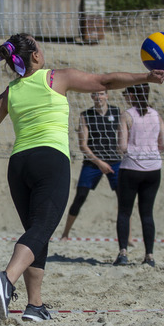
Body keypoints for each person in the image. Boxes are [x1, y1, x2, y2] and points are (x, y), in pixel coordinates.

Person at [0, 33, 164, 322]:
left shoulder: (11, 91)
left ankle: (35, 305)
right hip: (50, 160)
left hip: (19, 166)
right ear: (36, 56)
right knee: (41, 229)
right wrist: (147, 77)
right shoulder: (56, 78)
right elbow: (105, 81)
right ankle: (7, 279)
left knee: (36, 233)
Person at [114, 83, 164, 268]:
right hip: (153, 168)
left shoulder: (127, 115)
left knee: (124, 212)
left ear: (131, 95)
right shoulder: (156, 115)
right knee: (147, 214)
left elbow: (122, 146)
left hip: (131, 168)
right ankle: (149, 256)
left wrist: (127, 149)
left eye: (125, 93)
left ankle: (123, 253)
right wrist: (152, 151)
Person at [60, 90, 121, 240]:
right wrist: (99, 163)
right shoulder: (86, 115)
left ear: (107, 95)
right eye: (95, 94)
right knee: (80, 196)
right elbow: (83, 146)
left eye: (101, 94)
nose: (98, 97)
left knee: (124, 199)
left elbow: (122, 137)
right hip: (93, 163)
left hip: (115, 161)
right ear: (91, 96)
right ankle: (65, 234)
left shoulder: (117, 112)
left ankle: (128, 238)